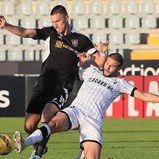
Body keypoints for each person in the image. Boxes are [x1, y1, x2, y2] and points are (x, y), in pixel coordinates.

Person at [0, 5, 107, 159]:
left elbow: (101, 62)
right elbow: (25, 32)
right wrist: (6, 25)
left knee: (47, 114)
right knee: (29, 126)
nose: (55, 24)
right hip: (44, 83)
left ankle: (37, 155)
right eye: (53, 21)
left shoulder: (82, 40)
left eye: (58, 21)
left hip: (62, 85)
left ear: (66, 18)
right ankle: (42, 145)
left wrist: (102, 51)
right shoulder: (50, 32)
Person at [13, 53, 159, 159]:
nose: (108, 67)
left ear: (118, 69)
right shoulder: (91, 71)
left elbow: (144, 96)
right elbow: (70, 73)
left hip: (93, 121)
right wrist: (81, 63)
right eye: (107, 63)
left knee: (92, 157)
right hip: (76, 110)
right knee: (52, 123)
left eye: (112, 66)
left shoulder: (120, 83)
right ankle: (25, 143)